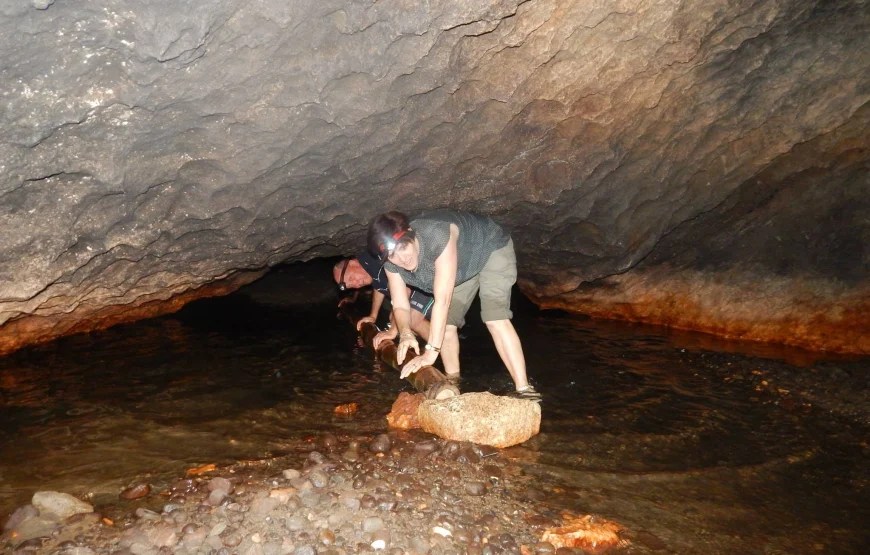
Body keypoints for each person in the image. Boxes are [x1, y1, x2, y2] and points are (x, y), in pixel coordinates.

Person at [367, 210, 540, 400]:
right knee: (447, 327)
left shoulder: (436, 236)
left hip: (490, 247)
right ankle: (453, 387)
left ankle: (525, 390)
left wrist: (430, 351)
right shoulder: (391, 265)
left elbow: (442, 301)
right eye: (392, 255)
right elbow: (400, 305)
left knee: (494, 318)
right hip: (462, 267)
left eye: (403, 247)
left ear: (411, 233)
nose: (402, 258)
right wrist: (405, 333)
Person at [332, 251, 433, 339]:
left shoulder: (375, 258)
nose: (357, 285)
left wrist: (392, 330)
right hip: (416, 292)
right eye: (352, 286)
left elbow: (404, 290)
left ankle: (440, 350)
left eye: (351, 278)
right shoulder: (368, 265)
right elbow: (378, 286)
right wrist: (373, 316)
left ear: (352, 263)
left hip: (424, 285)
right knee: (393, 317)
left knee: (412, 320)